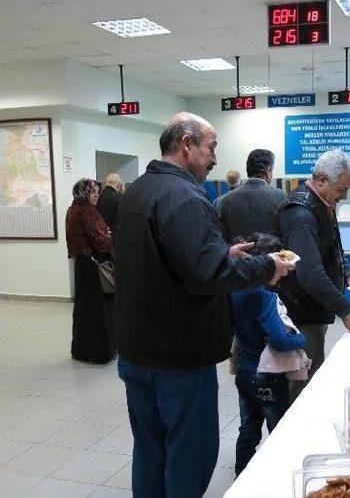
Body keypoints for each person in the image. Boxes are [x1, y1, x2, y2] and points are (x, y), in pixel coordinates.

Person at [113, 112, 294, 498]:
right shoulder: (185, 197)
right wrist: (267, 266)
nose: (214, 158)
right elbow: (209, 274)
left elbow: (165, 260)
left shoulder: (138, 191)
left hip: (137, 352)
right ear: (187, 144)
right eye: (212, 146)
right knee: (189, 453)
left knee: (150, 448)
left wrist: (222, 251)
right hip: (178, 357)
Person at [278, 149, 350, 400]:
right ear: (321, 179)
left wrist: (348, 272)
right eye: (341, 189)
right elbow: (310, 274)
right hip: (301, 315)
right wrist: (347, 310)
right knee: (301, 389)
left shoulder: (322, 204)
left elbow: (331, 249)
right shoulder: (301, 212)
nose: (345, 195)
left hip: (314, 311)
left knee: (311, 374)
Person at [230, 232, 307, 476]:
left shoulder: (233, 290)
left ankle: (242, 475)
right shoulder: (265, 297)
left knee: (248, 427)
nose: (285, 271)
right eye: (281, 264)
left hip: (244, 368)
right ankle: (280, 476)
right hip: (267, 376)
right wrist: (301, 337)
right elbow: (281, 341)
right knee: (278, 427)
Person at [65, 178, 115, 363]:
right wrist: (110, 236)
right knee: (98, 309)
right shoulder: (86, 212)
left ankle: (82, 349)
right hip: (95, 267)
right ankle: (99, 351)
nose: (97, 196)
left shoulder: (73, 210)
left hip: (84, 265)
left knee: (84, 309)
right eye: (93, 192)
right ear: (84, 193)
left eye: (97, 192)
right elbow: (101, 241)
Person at [213, 149, 286, 240]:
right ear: (268, 169)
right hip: (272, 253)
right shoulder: (280, 196)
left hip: (237, 254)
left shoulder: (227, 200)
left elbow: (222, 237)